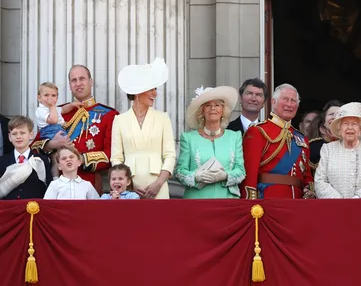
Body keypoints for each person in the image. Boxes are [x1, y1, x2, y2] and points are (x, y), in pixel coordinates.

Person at [31, 65, 119, 194]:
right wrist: (50, 145)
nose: (78, 83)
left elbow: (112, 154)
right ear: (70, 85)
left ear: (91, 81)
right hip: (57, 184)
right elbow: (34, 147)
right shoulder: (56, 112)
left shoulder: (109, 115)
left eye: (82, 79)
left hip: (88, 182)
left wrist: (80, 159)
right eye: (74, 80)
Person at [111, 58, 176, 199]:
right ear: (137, 91)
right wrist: (128, 184)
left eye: (155, 89)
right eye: (151, 89)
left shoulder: (163, 118)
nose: (155, 93)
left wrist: (158, 183)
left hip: (158, 186)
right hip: (129, 188)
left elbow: (170, 155)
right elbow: (116, 157)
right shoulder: (119, 120)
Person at [241, 83, 313, 199]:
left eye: (293, 101)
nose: (289, 104)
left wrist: (309, 191)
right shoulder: (258, 131)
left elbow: (307, 176)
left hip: (298, 203)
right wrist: (250, 203)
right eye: (285, 99)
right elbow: (249, 173)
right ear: (273, 102)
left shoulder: (301, 138)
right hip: (268, 200)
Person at [175, 86, 246, 198]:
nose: (212, 108)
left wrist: (225, 175)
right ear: (202, 111)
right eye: (208, 105)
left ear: (223, 111)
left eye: (217, 105)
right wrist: (196, 176)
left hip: (227, 200)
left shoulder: (234, 137)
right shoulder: (188, 138)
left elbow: (241, 171)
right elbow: (179, 172)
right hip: (197, 201)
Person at [315, 102, 361, 198]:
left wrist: (358, 198)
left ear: (360, 129)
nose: (350, 128)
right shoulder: (328, 149)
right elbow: (320, 181)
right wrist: (339, 200)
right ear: (339, 128)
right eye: (345, 124)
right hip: (335, 207)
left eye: (354, 124)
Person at [36, 82, 82, 178]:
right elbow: (53, 120)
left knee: (56, 156)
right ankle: (79, 158)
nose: (50, 98)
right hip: (50, 130)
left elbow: (63, 110)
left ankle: (55, 177)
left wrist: (72, 105)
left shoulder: (54, 108)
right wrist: (52, 106)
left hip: (56, 129)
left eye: (53, 95)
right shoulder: (41, 110)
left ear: (57, 98)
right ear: (39, 98)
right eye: (46, 95)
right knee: (68, 147)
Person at [0, 116, 52, 200]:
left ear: (31, 135)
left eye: (22, 133)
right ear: (9, 137)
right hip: (8, 210)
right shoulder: (2, 161)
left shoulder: (41, 161)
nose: (18, 137)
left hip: (34, 210)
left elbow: (48, 189)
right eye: (14, 134)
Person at [308, 100, 342, 175]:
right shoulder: (315, 147)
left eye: (339, 114)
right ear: (322, 129)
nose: (335, 117)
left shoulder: (353, 146)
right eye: (331, 114)